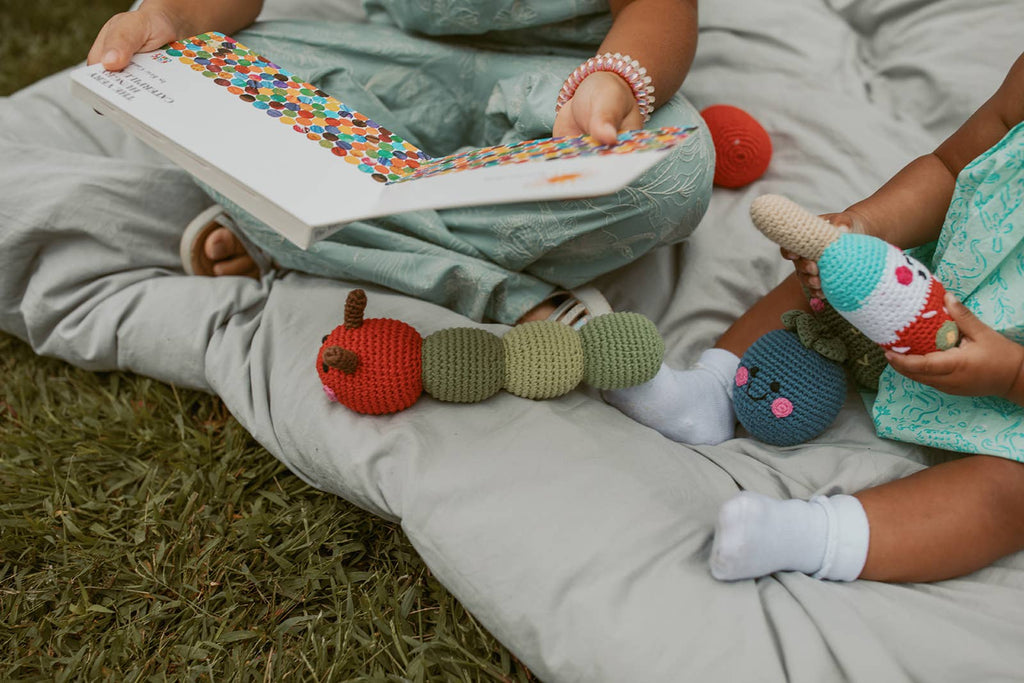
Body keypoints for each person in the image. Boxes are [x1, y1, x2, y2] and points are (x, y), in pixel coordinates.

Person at [608, 52, 1024, 583]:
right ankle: (712, 389)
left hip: (1014, 387)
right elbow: (950, 168)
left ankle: (809, 535)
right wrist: (863, 227)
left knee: (1009, 497)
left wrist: (1009, 373)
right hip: (954, 278)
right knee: (836, 271)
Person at [86, 0, 711, 326]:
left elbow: (662, 8)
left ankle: (298, 230)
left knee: (676, 168)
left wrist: (620, 79)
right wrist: (167, 19)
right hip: (395, 68)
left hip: (565, 84)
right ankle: (501, 293)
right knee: (197, 70)